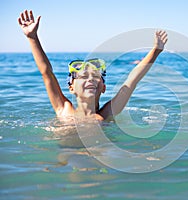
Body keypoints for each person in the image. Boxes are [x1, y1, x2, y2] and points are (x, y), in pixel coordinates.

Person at [18, 10, 168, 122]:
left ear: (103, 88)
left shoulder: (106, 114)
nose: (90, 79)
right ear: (71, 87)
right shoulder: (64, 110)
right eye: (83, 76)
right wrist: (33, 38)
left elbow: (132, 81)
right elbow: (46, 73)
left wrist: (156, 51)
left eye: (96, 76)